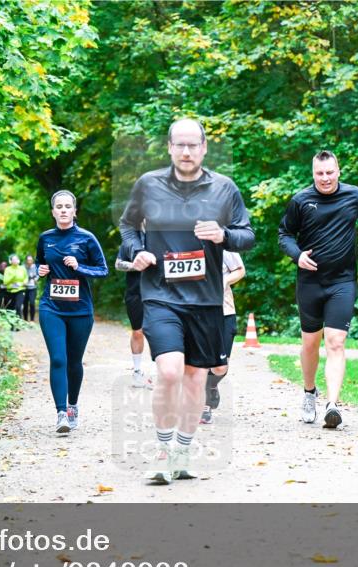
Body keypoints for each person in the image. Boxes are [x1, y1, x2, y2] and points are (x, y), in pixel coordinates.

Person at [119, 118, 255, 483]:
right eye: (179, 145)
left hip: (206, 299)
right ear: (169, 147)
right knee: (168, 371)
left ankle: (182, 451)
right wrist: (137, 251)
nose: (186, 151)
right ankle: (162, 452)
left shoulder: (224, 189)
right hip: (160, 294)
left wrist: (223, 234)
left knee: (195, 379)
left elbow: (247, 235)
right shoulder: (148, 184)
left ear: (204, 147)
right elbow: (128, 225)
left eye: (193, 145)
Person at [277, 150, 358, 429]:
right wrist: (297, 255)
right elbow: (284, 234)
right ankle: (309, 392)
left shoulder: (354, 195)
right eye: (320, 173)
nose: (325, 178)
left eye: (330, 172)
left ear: (338, 171)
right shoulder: (301, 200)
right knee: (310, 343)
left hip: (342, 281)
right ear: (313, 174)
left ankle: (332, 405)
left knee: (336, 342)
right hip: (310, 282)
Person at [37, 190, 108, 435]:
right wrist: (41, 269)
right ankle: (61, 414)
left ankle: (73, 406)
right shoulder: (45, 238)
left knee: (74, 362)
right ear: (53, 211)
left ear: (74, 211)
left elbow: (103, 270)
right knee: (58, 358)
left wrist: (80, 267)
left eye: (68, 206)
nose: (64, 210)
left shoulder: (86, 238)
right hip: (51, 307)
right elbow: (39, 262)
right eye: (59, 206)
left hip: (80, 310)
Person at [200, 250, 245, 424]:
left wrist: (224, 280)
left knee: (220, 367)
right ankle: (204, 405)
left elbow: (240, 269)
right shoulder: (183, 240)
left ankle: (211, 385)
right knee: (201, 362)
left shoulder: (222, 242)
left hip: (224, 311)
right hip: (197, 312)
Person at [114, 227, 154, 390]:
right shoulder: (130, 241)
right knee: (138, 331)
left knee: (157, 331)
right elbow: (118, 264)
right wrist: (134, 265)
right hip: (135, 292)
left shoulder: (161, 236)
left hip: (158, 293)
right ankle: (137, 371)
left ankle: (154, 374)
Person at [23, 255, 39, 322]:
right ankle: (25, 320)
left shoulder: (35, 267)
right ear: (26, 261)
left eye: (30, 260)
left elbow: (38, 274)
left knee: (32, 303)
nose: (29, 261)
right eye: (28, 260)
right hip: (24, 288)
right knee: (25, 304)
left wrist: (36, 279)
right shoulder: (23, 267)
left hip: (33, 287)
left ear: (32, 260)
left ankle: (32, 320)